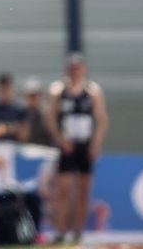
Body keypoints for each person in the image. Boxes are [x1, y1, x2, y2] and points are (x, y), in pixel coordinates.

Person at [43, 52, 107, 245]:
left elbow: (101, 118)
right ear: (66, 69)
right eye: (72, 68)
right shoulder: (58, 90)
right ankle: (60, 231)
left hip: (84, 143)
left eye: (78, 68)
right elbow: (51, 117)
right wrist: (60, 138)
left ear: (84, 69)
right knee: (63, 189)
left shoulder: (92, 91)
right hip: (67, 144)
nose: (75, 72)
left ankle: (78, 231)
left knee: (83, 190)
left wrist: (96, 142)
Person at [0, 73, 31, 141]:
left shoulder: (20, 108)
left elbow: (25, 135)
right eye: (2, 88)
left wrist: (7, 129)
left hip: (15, 146)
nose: (4, 92)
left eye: (7, 88)